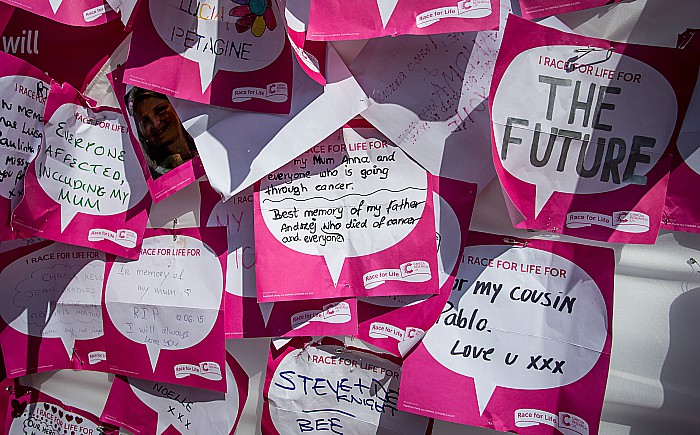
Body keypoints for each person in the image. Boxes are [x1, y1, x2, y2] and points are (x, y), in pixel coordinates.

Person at [127, 87, 198, 179]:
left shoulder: (208, 146)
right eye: (145, 121)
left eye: (160, 110)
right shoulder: (151, 176)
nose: (155, 124)